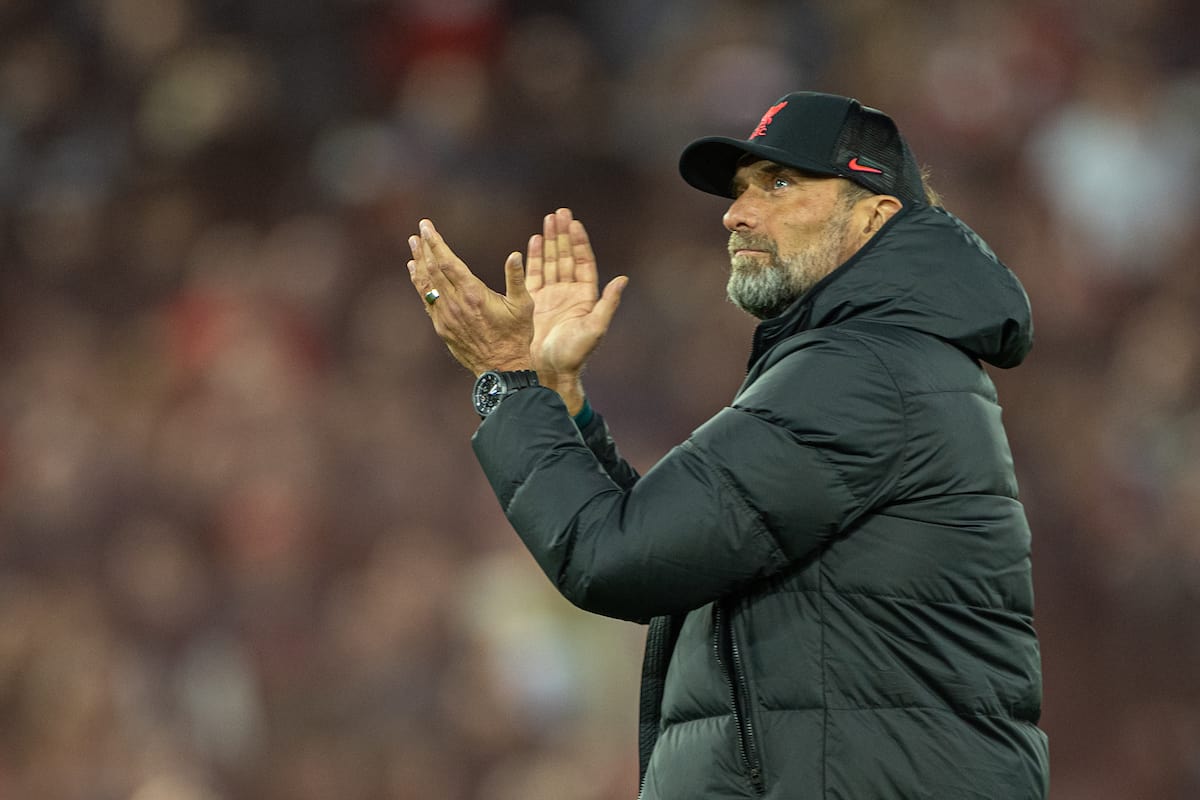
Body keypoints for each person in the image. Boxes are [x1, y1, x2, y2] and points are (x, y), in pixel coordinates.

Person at [407, 91, 1049, 799]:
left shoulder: (863, 374)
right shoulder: (875, 362)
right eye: (741, 190)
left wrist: (506, 380)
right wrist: (558, 398)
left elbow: (614, 559)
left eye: (780, 185)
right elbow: (667, 551)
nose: (737, 212)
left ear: (875, 214)